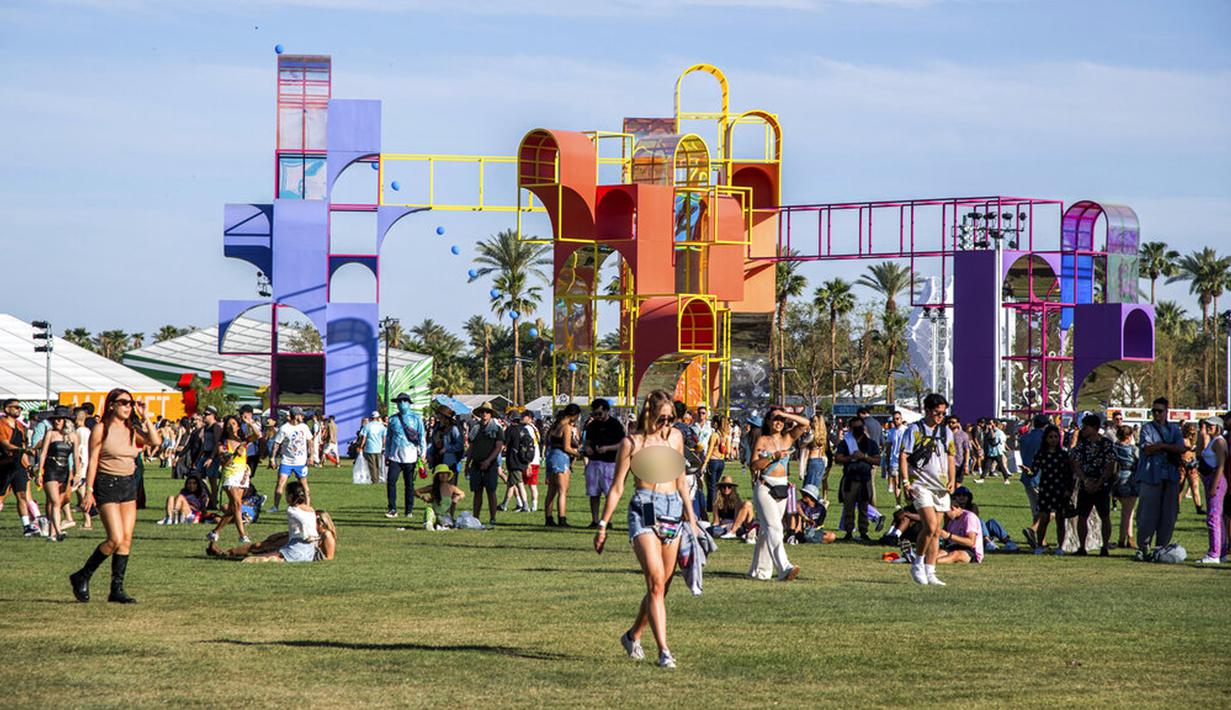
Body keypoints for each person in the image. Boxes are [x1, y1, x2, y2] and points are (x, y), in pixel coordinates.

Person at [594, 389, 701, 669]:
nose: (668, 424)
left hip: (672, 509)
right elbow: (617, 487)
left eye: (671, 418)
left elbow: (681, 482)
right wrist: (603, 525)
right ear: (649, 414)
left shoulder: (676, 438)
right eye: (663, 418)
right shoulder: (632, 442)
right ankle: (664, 651)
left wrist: (693, 519)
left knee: (662, 586)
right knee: (654, 581)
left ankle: (632, 635)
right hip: (644, 509)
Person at [71, 388, 162, 604]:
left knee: (126, 540)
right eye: (123, 403)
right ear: (111, 405)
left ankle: (116, 589)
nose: (128, 407)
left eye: (130, 403)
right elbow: (93, 461)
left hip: (129, 485)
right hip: (107, 484)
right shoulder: (101, 429)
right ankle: (82, 575)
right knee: (115, 538)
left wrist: (145, 416)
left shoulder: (132, 429)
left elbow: (155, 441)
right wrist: (89, 491)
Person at [899, 393, 956, 586]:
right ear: (927, 410)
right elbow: (904, 456)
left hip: (940, 485)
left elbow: (950, 456)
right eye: (936, 413)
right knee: (930, 526)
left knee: (937, 531)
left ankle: (930, 571)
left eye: (943, 413)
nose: (940, 416)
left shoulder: (946, 431)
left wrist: (952, 479)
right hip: (920, 483)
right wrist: (906, 482)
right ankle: (917, 562)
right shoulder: (914, 430)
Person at [748, 409, 810, 581]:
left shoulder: (788, 438)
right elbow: (754, 465)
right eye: (775, 419)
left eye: (781, 420)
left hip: (782, 488)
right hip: (765, 487)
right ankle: (784, 568)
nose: (779, 422)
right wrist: (773, 457)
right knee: (775, 527)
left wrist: (786, 414)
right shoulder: (763, 440)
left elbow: (805, 423)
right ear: (768, 421)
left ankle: (759, 571)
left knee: (766, 531)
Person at [207, 483, 336, 562]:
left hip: (299, 546)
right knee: (260, 545)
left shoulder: (326, 535)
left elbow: (328, 557)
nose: (314, 520)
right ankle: (227, 553)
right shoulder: (308, 515)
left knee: (261, 549)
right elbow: (297, 530)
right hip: (293, 540)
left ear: (323, 522)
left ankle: (226, 554)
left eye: (317, 519)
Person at [1135, 397, 1186, 559]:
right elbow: (1147, 449)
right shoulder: (1147, 428)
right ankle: (1143, 546)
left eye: (1160, 411)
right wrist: (1167, 447)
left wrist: (1162, 447)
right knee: (1147, 514)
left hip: (1170, 477)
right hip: (1151, 476)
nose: (1156, 414)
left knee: (1169, 514)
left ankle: (1161, 547)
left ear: (1166, 412)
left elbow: (1181, 448)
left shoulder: (1174, 429)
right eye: (1154, 411)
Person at [1071, 414, 1115, 556]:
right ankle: (1082, 547)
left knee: (1105, 516)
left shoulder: (1106, 444)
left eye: (1086, 426)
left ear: (1095, 428)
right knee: (1082, 516)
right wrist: (1085, 480)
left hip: (1102, 485)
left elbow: (1110, 465)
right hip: (1086, 483)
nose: (1083, 429)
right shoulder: (1082, 445)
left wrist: (1099, 482)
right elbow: (1076, 464)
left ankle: (1105, 546)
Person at [206, 416, 253, 544]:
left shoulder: (243, 441)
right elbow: (224, 462)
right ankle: (242, 535)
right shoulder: (223, 443)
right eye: (229, 424)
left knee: (233, 508)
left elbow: (258, 434)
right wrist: (235, 453)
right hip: (230, 475)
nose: (231, 426)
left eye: (234, 423)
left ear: (238, 426)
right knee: (237, 504)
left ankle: (215, 532)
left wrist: (249, 423)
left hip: (242, 476)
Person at [35, 407, 79, 541]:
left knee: (59, 502)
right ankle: (59, 531)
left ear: (66, 421)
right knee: (54, 501)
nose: (56, 422)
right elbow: (43, 454)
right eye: (54, 419)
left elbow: (76, 457)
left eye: (59, 419)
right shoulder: (50, 433)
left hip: (64, 470)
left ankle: (52, 533)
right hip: (51, 469)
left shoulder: (73, 436)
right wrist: (39, 473)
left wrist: (77, 474)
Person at [834, 415, 880, 541]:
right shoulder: (846, 442)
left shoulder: (871, 443)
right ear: (851, 429)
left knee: (863, 507)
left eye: (859, 427)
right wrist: (850, 458)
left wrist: (864, 457)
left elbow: (877, 460)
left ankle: (863, 532)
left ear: (863, 427)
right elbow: (837, 458)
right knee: (848, 506)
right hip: (850, 478)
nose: (857, 429)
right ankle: (848, 532)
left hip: (865, 478)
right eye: (855, 427)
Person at [583, 398, 626, 528]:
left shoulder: (615, 424)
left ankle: (608, 520)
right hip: (594, 462)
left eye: (600, 414)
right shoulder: (592, 425)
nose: (597, 417)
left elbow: (623, 444)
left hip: (610, 463)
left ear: (607, 411)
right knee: (593, 493)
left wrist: (607, 448)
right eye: (594, 414)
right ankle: (594, 520)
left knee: (610, 493)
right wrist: (588, 448)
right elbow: (588, 442)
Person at [1, 400, 39, 537]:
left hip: (18, 465)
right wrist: (21, 449)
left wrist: (28, 466)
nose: (19, 410)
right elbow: (4, 444)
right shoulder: (1, 424)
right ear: (7, 409)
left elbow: (23, 449)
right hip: (4, 464)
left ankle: (27, 526)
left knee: (22, 495)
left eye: (20, 407)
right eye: (15, 407)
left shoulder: (20, 427)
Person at [385, 393, 426, 519]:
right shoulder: (393, 419)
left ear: (409, 403)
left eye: (404, 401)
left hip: (411, 456)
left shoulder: (416, 418)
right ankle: (392, 508)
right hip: (395, 456)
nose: (401, 404)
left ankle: (409, 510)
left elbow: (421, 436)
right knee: (391, 481)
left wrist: (423, 453)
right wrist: (387, 454)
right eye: (399, 402)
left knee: (409, 484)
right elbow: (389, 438)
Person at [465, 402, 504, 527]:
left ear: (491, 414)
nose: (484, 414)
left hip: (490, 464)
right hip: (476, 463)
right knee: (477, 492)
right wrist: (467, 464)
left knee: (491, 491)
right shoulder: (475, 428)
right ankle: (476, 518)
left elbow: (498, 447)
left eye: (487, 412)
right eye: (482, 412)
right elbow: (471, 447)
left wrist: (488, 461)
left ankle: (493, 517)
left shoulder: (497, 429)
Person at [269, 407, 313, 512]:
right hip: (286, 461)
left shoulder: (304, 427)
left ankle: (307, 507)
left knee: (304, 485)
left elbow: (310, 442)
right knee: (280, 483)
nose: (303, 417)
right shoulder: (284, 428)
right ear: (296, 416)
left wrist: (311, 456)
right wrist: (272, 458)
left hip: (300, 462)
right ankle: (275, 506)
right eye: (301, 415)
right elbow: (277, 444)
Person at [1196, 416, 1227, 564]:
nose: (1208, 427)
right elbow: (1199, 453)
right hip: (1210, 479)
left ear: (1218, 427)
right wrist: (1201, 434)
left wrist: (1214, 486)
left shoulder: (1219, 442)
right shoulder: (1212, 441)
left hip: (1216, 480)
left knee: (1213, 518)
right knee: (1217, 518)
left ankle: (1214, 553)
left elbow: (1221, 465)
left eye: (1211, 425)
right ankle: (1220, 552)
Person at [545, 403, 581, 527]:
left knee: (551, 491)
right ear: (574, 415)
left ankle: (548, 518)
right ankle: (562, 518)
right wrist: (579, 455)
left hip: (551, 457)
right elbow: (567, 447)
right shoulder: (566, 427)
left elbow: (548, 442)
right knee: (562, 491)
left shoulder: (554, 426)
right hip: (561, 458)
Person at [935, 490, 984, 564]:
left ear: (953, 508)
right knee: (938, 553)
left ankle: (931, 562)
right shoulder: (952, 519)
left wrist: (949, 535)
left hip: (970, 550)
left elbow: (971, 542)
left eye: (946, 512)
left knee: (955, 554)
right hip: (954, 546)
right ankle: (926, 560)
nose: (945, 515)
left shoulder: (969, 517)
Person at [1111, 425, 1139, 550]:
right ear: (1129, 436)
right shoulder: (1132, 449)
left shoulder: (1114, 448)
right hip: (1130, 479)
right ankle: (1129, 537)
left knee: (1125, 511)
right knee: (1129, 512)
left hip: (1117, 479)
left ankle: (1122, 538)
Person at [1017, 414, 1049, 518]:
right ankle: (1034, 530)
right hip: (1041, 477)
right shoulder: (1045, 438)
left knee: (1035, 510)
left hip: (1027, 476)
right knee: (1047, 511)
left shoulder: (1024, 437)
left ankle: (1034, 531)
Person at [418, 464, 465, 530]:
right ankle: (429, 524)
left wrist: (457, 497)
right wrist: (422, 497)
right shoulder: (433, 488)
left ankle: (444, 524)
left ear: (448, 475)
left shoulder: (451, 488)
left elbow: (462, 493)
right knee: (428, 509)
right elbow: (416, 491)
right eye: (441, 473)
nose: (443, 475)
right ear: (437, 476)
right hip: (435, 515)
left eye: (445, 473)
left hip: (446, 516)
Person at [710, 475, 755, 539]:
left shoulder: (736, 500)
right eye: (724, 486)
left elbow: (736, 519)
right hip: (724, 526)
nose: (726, 489)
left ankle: (734, 532)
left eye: (729, 486)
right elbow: (716, 521)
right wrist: (714, 527)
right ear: (720, 488)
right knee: (714, 530)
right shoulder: (717, 501)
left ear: (732, 488)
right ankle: (746, 533)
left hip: (737, 525)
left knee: (748, 504)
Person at [196, 406, 223, 507]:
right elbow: (204, 444)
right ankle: (211, 498)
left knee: (212, 481)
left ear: (213, 415)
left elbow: (217, 443)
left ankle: (213, 502)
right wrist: (199, 456)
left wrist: (211, 458)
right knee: (198, 477)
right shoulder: (206, 427)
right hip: (205, 455)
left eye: (207, 414)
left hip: (213, 457)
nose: (204, 416)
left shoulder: (216, 427)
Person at [427, 404, 465, 472]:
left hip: (450, 463)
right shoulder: (437, 427)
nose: (437, 416)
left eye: (438, 414)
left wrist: (446, 448)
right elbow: (432, 443)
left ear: (444, 416)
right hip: (437, 462)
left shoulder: (453, 428)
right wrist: (429, 454)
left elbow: (460, 445)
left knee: (449, 482)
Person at [1179, 421, 1205, 515]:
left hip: (1192, 466)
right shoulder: (1182, 439)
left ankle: (1198, 507)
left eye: (1193, 432)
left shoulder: (1195, 439)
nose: (1192, 433)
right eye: (1190, 431)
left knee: (1195, 487)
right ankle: (1176, 507)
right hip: (1182, 466)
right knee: (1180, 488)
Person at [357, 411, 387, 487]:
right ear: (378, 418)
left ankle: (374, 480)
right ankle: (377, 478)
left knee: (372, 465)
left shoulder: (367, 426)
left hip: (370, 448)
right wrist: (384, 446)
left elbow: (364, 438)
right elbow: (384, 438)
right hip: (379, 448)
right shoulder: (381, 426)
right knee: (378, 465)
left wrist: (361, 446)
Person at [801, 414, 828, 494]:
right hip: (821, 461)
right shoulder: (823, 435)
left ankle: (821, 502)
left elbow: (802, 444)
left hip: (813, 461)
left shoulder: (812, 435)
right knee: (814, 487)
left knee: (808, 489)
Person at [979, 419, 1011, 484]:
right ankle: (982, 479)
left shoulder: (999, 432)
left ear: (995, 424)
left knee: (1001, 466)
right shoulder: (988, 431)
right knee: (987, 466)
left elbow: (994, 442)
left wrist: (991, 431)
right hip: (991, 452)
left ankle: (1006, 479)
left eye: (991, 423)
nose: (990, 425)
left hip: (997, 452)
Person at [949, 415, 971, 486]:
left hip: (960, 462)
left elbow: (967, 450)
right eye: (949, 422)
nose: (951, 424)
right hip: (949, 462)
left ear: (958, 423)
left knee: (958, 485)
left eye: (953, 422)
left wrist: (966, 464)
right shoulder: (945, 434)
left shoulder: (963, 435)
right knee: (950, 484)